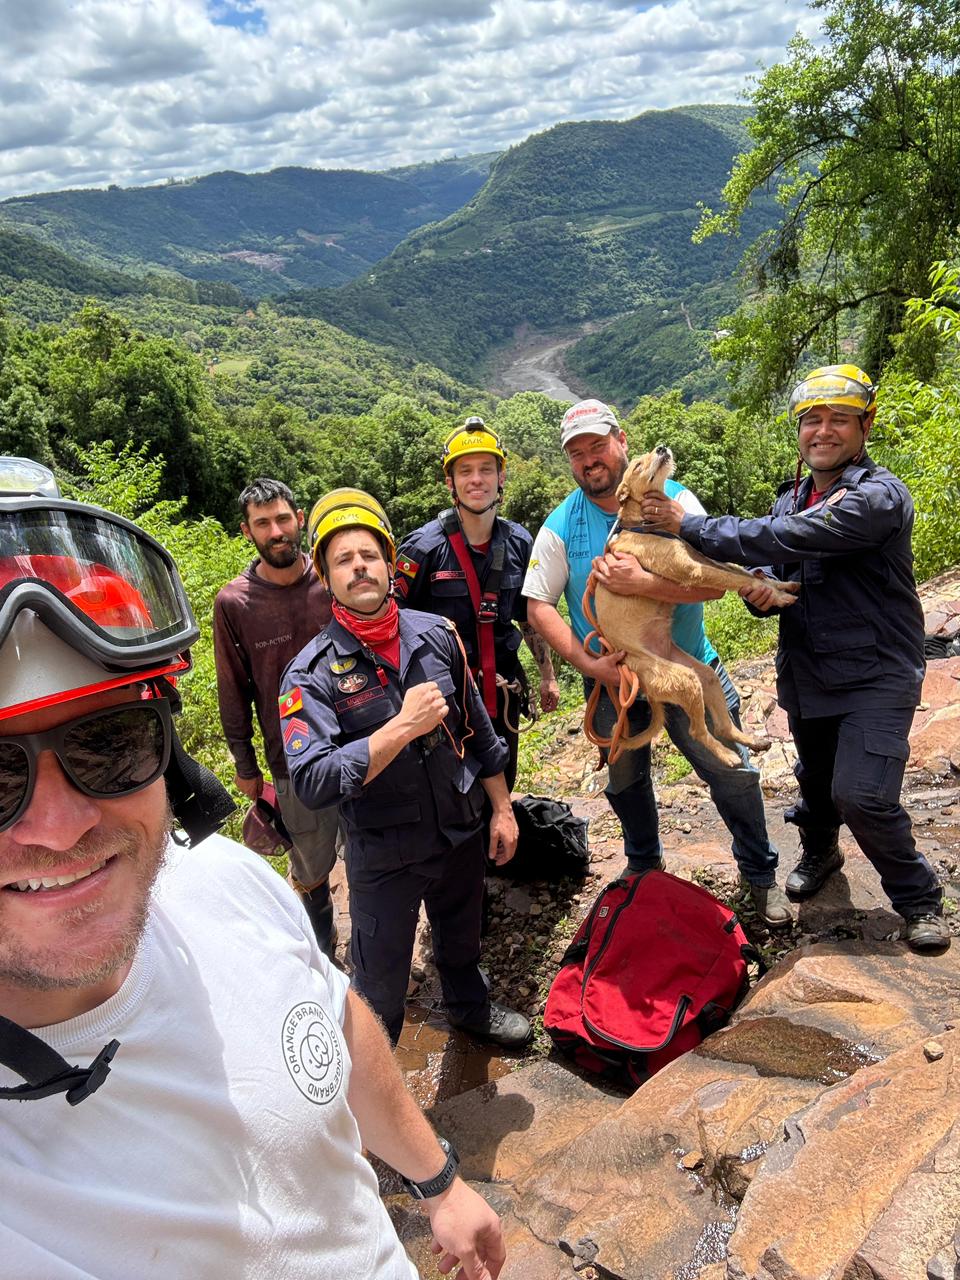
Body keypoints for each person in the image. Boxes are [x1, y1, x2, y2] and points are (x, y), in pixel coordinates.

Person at [0, 458, 507, 1280]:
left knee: (447, 946)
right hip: (375, 844)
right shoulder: (290, 649)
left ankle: (473, 1011)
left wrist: (439, 1180)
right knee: (378, 964)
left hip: (451, 830)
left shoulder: (228, 886)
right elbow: (300, 760)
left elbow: (337, 1022)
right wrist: (274, 767)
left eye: (109, 745)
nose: (56, 829)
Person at [640, 365, 948, 952]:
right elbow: (779, 569)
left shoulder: (877, 497)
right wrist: (760, 592)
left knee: (862, 793)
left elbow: (790, 538)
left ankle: (918, 898)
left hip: (877, 673)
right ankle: (822, 853)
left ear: (865, 427)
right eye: (812, 420)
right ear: (799, 429)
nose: (823, 432)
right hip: (810, 668)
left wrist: (692, 525)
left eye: (839, 420)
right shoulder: (793, 497)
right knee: (817, 780)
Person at [522, 399, 790, 926]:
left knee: (731, 773)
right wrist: (588, 666)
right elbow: (537, 605)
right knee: (625, 783)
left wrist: (644, 583)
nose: (589, 460)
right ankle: (644, 870)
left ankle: (760, 877)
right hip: (614, 684)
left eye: (598, 445)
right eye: (577, 454)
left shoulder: (675, 502)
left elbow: (712, 581)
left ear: (622, 441)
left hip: (686, 662)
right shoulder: (561, 524)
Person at [283, 488, 532, 1048]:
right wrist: (400, 728)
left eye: (368, 555)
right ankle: (376, 1118)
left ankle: (470, 1011)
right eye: (343, 560)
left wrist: (501, 808)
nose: (359, 568)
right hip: (384, 856)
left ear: (390, 563)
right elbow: (315, 779)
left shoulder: (436, 636)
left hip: (459, 832)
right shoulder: (310, 674)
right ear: (326, 577)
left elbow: (479, 731)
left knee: (463, 942)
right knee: (381, 986)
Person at [394, 418, 559, 790]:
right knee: (452, 796)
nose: (477, 480)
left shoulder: (518, 542)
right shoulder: (422, 549)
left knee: (505, 782)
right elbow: (393, 623)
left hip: (502, 694)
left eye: (487, 469)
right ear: (450, 482)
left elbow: (529, 616)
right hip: (445, 700)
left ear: (502, 477)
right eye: (465, 471)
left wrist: (547, 675)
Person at [214, 477, 339, 956]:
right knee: (311, 864)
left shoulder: (331, 580)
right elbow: (233, 690)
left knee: (371, 848)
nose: (276, 531)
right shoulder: (235, 603)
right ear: (247, 532)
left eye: (283, 519)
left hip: (360, 746)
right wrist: (245, 766)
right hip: (291, 759)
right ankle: (323, 951)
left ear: (300, 519)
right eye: (263, 523)